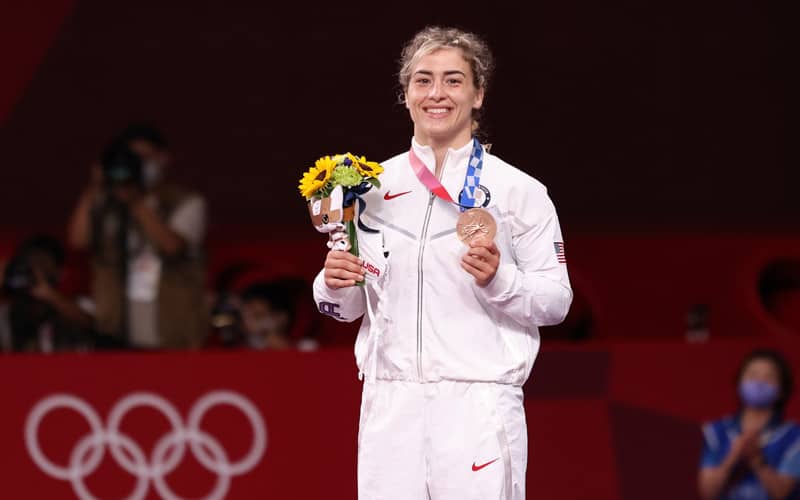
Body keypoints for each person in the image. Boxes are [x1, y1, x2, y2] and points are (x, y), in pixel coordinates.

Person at [312, 26, 572, 499]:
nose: (436, 93)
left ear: (478, 95)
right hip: (390, 401)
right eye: (423, 80)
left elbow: (556, 302)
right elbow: (347, 309)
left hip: (478, 402)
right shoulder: (366, 188)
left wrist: (500, 279)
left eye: (453, 80)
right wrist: (332, 285)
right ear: (406, 94)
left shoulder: (520, 193)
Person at [67, 123, 208, 350]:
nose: (137, 165)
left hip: (171, 332)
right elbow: (78, 240)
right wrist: (94, 187)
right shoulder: (107, 204)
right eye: (131, 158)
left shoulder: (185, 202)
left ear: (162, 159)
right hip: (115, 329)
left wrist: (136, 202)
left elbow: (172, 246)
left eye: (144, 158)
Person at [698, 349, 800, 499]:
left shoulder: (794, 436)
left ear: (782, 390)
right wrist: (732, 457)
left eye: (769, 377)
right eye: (753, 375)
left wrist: (757, 460)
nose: (759, 382)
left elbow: (782, 493)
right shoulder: (716, 432)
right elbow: (707, 493)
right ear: (739, 382)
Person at [0, 234, 93, 353]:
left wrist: (48, 294)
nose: (35, 269)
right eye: (28, 264)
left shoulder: (76, 305)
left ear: (60, 272)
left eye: (42, 263)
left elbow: (94, 326)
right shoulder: (6, 312)